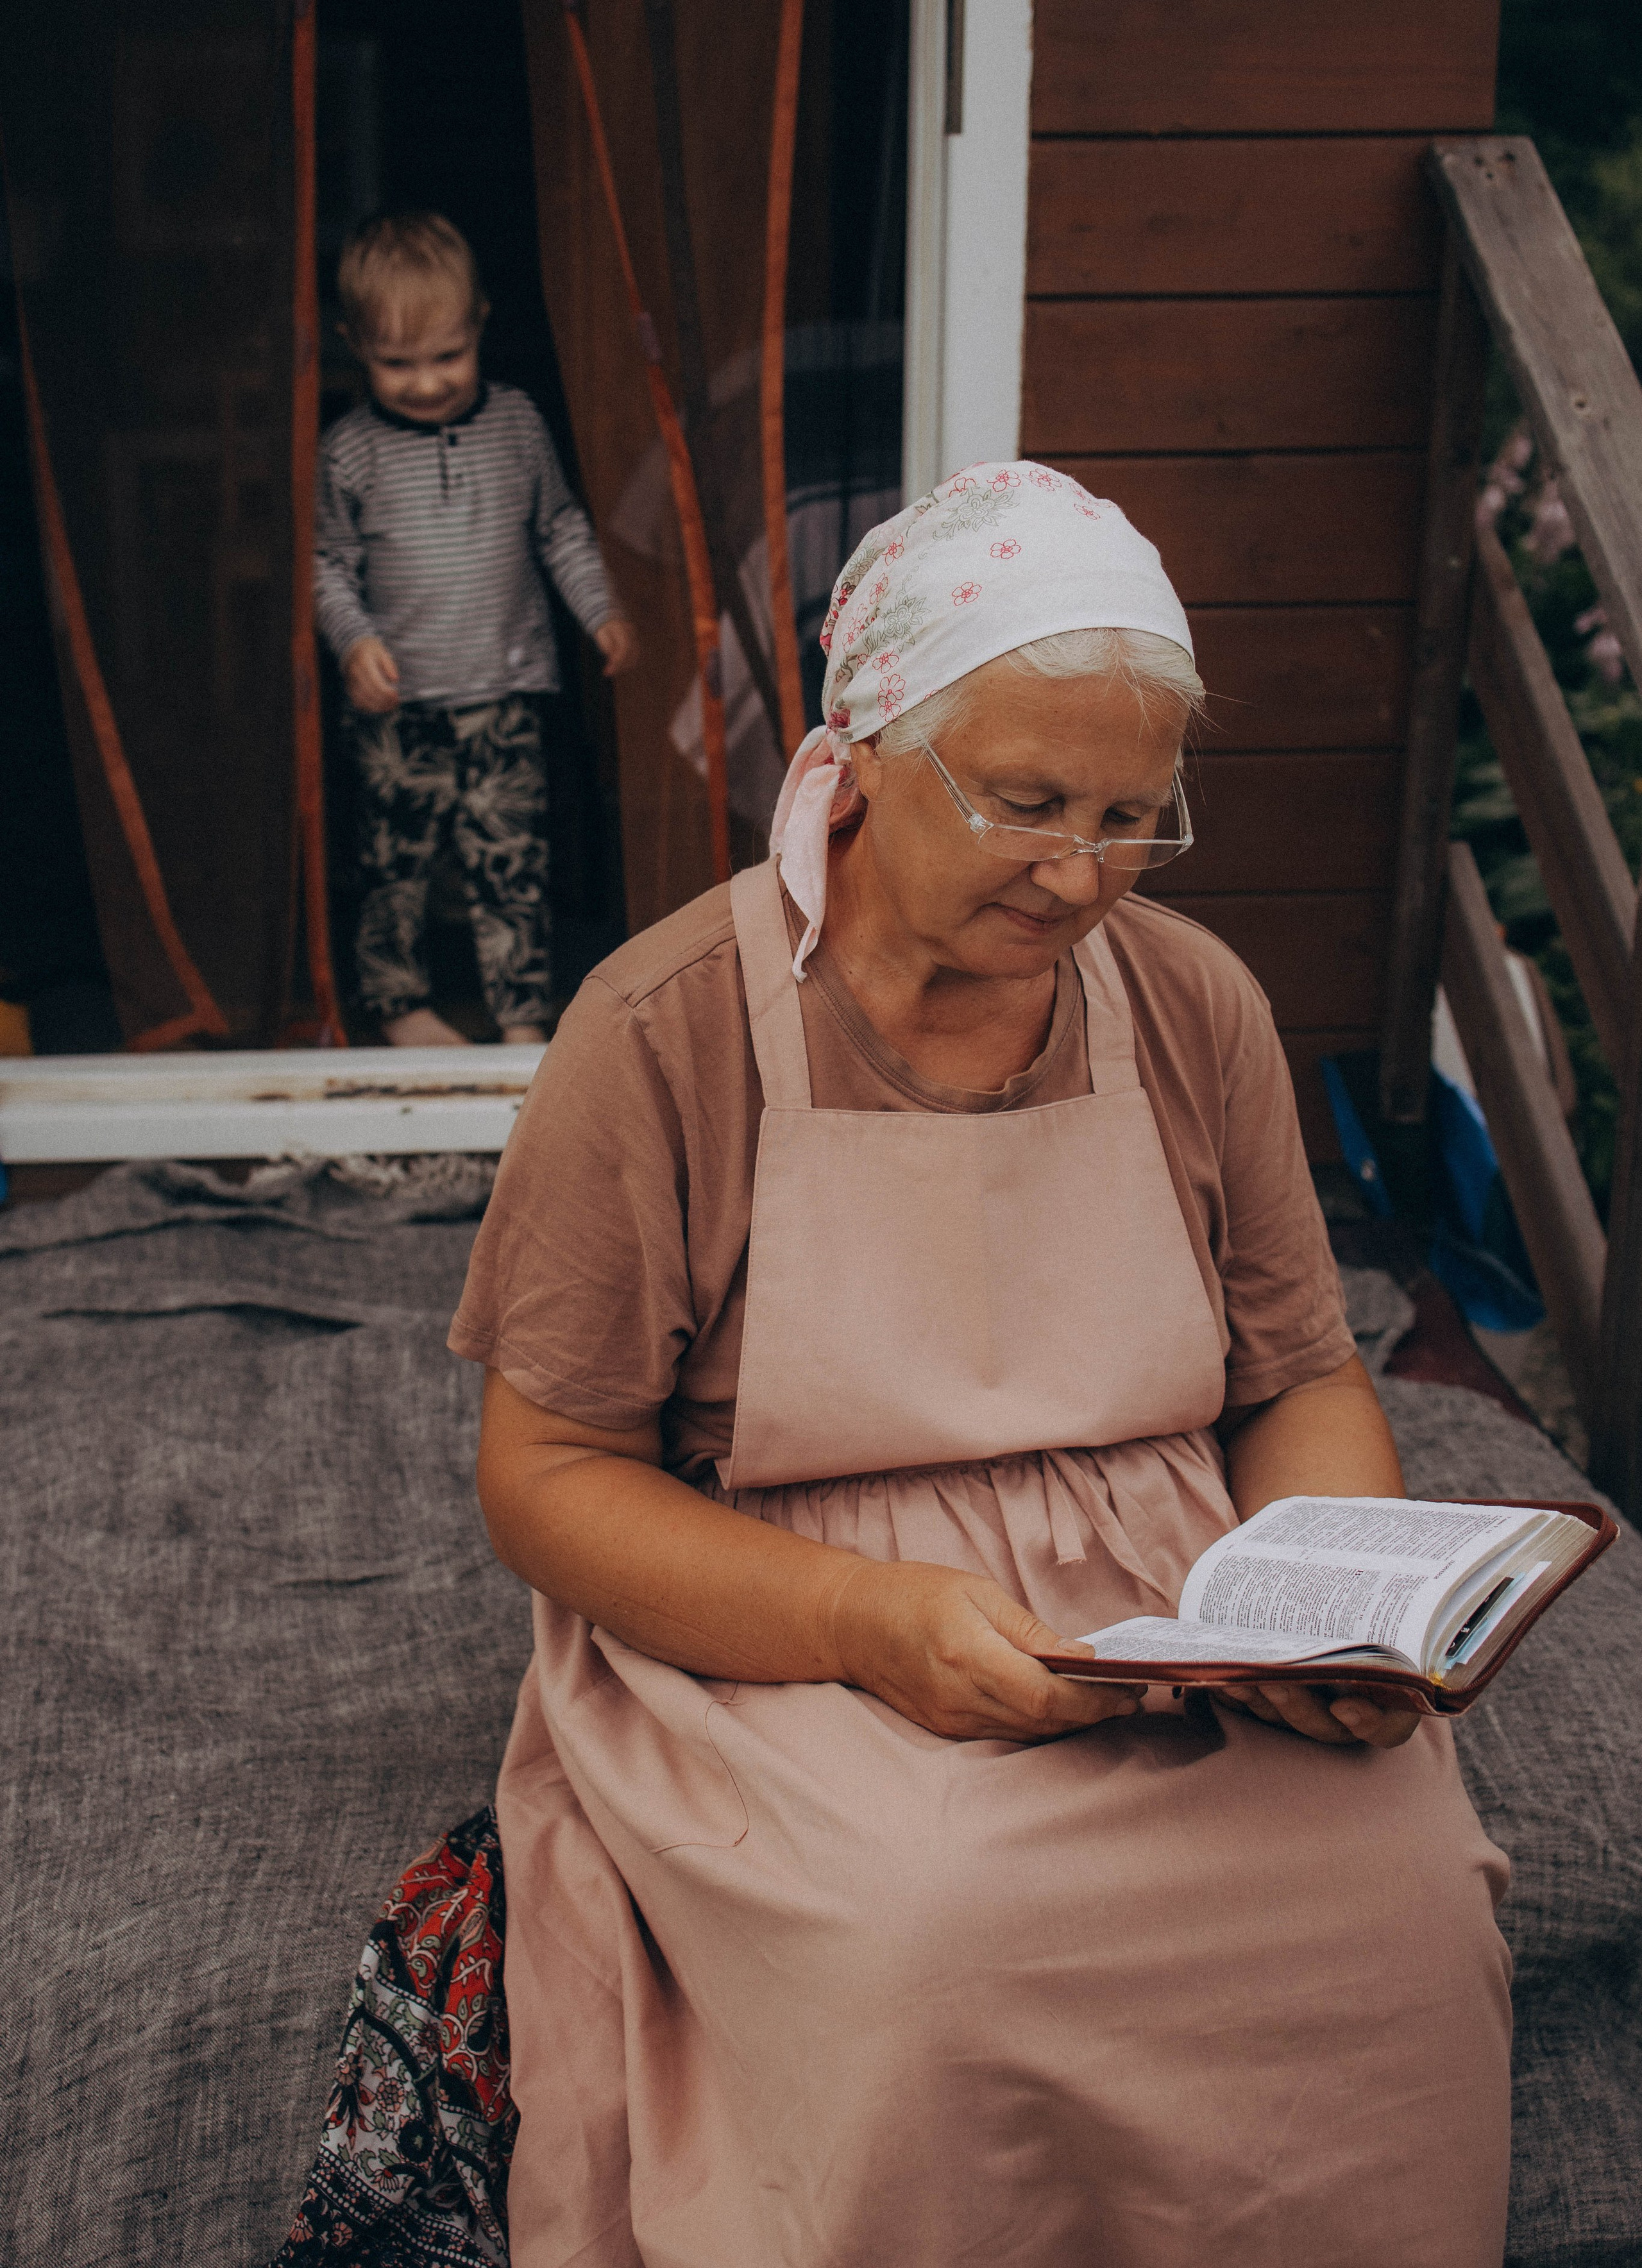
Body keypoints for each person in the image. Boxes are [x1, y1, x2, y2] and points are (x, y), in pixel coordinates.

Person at [452, 466, 1512, 2267]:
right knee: (932, 1947)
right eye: (1027, 805)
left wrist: (1325, 1608)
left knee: (1408, 1908)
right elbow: (547, 1480)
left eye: (1133, 818)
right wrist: (878, 1628)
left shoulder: (1193, 1004)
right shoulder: (662, 1033)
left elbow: (1298, 1372)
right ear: (856, 752)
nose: (1084, 873)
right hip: (796, 1626)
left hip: (1167, 1616)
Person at [315, 212, 639, 1046]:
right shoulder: (350, 452)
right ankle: (398, 1003)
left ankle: (521, 1013)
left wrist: (599, 610)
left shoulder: (517, 423)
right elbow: (325, 565)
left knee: (511, 862)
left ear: (480, 325)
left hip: (502, 690)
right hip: (400, 707)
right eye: (396, 364)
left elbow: (560, 527)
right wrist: (353, 641)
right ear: (352, 344)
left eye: (446, 357)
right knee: (396, 864)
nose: (427, 383)